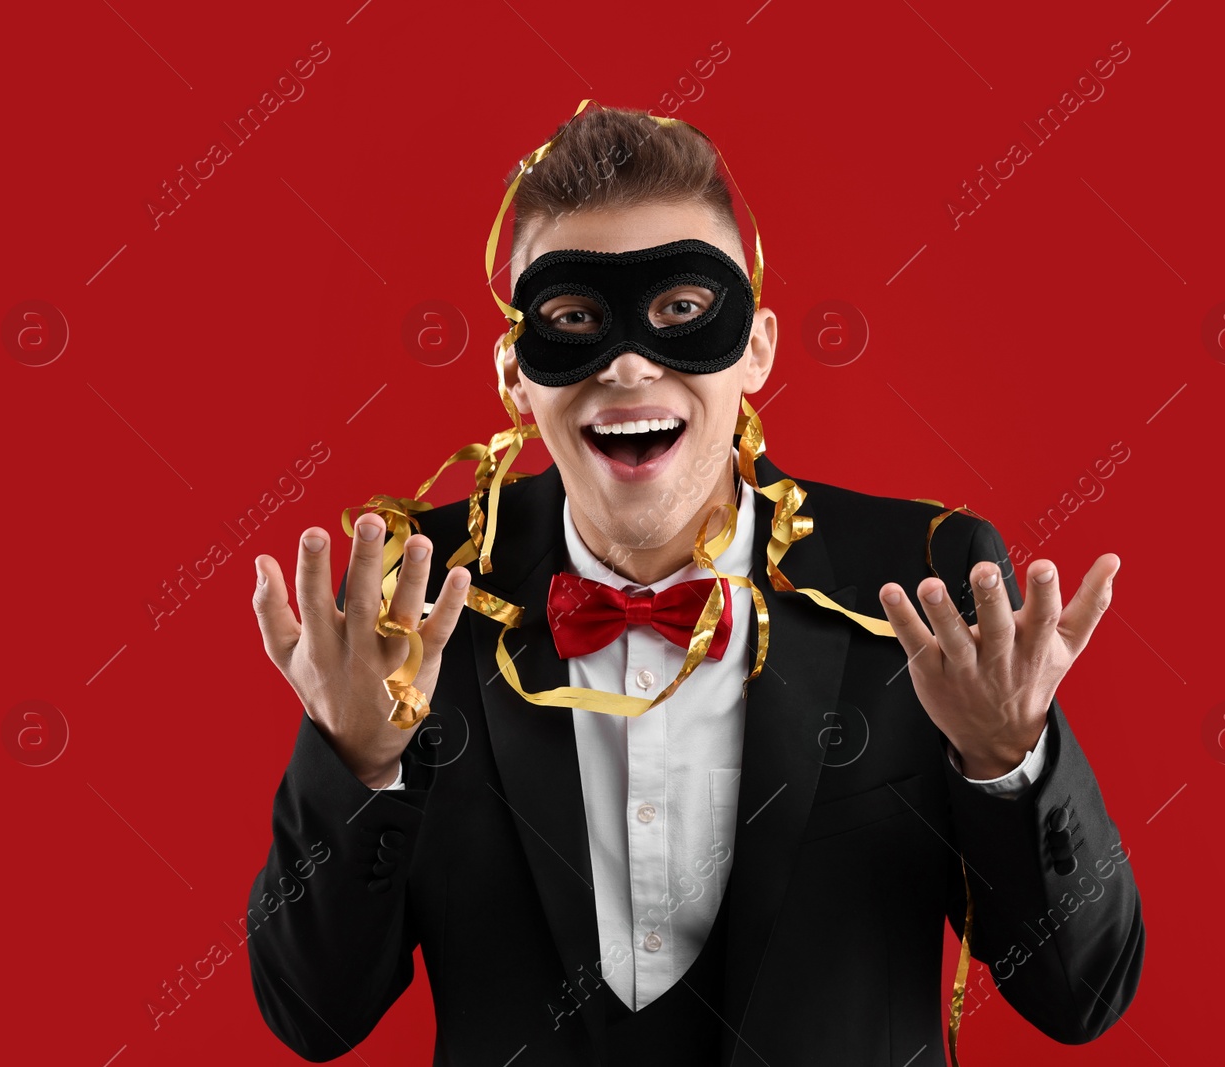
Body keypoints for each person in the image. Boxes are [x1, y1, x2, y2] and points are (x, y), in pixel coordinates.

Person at [245, 102, 1144, 1066]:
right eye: (575, 321)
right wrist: (355, 763)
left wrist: (1009, 760)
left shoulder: (921, 579)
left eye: (682, 311)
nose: (630, 361)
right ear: (516, 373)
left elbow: (1078, 993)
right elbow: (316, 1016)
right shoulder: (416, 599)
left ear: (755, 348)